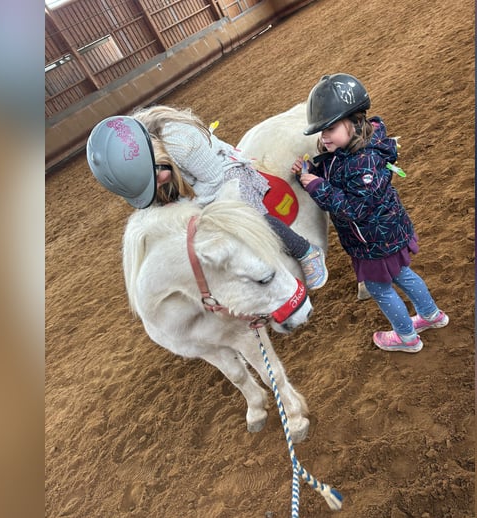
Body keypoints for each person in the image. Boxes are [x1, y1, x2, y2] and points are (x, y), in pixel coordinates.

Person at [85, 108, 328, 290]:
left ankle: (305, 250)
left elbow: (214, 180)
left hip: (225, 176)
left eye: (155, 178)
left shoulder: (180, 141)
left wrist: (190, 211)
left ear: (158, 158)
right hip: (190, 190)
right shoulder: (143, 169)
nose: (155, 186)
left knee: (250, 217)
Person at [291, 73, 448, 352]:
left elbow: (354, 209)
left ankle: (407, 338)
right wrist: (314, 173)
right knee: (403, 273)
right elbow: (337, 174)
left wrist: (317, 187)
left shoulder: (362, 163)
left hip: (373, 241)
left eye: (330, 129)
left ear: (354, 123)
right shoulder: (356, 150)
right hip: (388, 233)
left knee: (378, 288)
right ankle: (431, 315)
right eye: (321, 131)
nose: (324, 136)